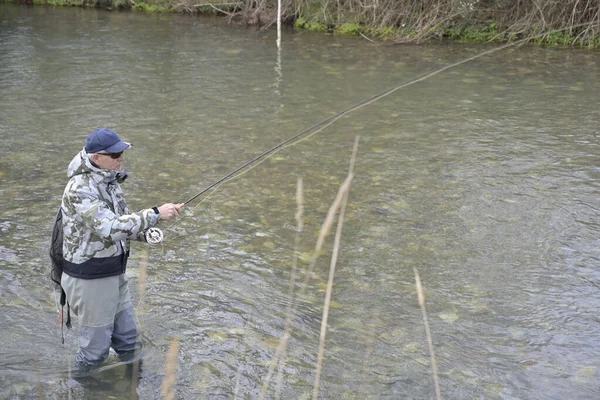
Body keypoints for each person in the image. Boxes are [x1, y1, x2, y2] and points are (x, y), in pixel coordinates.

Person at [59, 127, 183, 369]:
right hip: (90, 278)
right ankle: (80, 389)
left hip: (114, 272)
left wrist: (147, 234)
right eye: (115, 156)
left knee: (129, 343)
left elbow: (124, 221)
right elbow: (110, 228)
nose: (120, 159)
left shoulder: (109, 180)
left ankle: (131, 386)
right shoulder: (79, 188)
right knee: (94, 354)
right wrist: (155, 214)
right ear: (96, 157)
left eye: (121, 154)